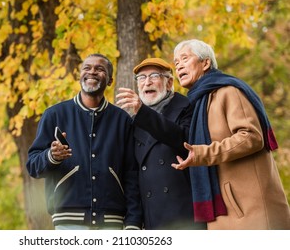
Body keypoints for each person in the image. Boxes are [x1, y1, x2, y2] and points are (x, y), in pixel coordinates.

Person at [171, 39, 290, 229]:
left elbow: (252, 136)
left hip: (251, 209)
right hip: (222, 212)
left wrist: (203, 154)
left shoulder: (228, 91)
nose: (179, 66)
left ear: (206, 63)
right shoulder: (195, 105)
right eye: (176, 63)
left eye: (184, 59)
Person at [26, 53, 142, 230]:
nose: (92, 72)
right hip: (67, 224)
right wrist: (51, 156)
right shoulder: (54, 115)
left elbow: (131, 175)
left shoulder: (122, 120)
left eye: (100, 69)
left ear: (110, 80)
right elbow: (32, 166)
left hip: (112, 223)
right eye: (87, 68)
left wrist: (133, 223)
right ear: (80, 75)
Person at [116, 58, 205, 230]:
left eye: (154, 76)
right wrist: (133, 221)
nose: (147, 82)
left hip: (186, 215)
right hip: (152, 220)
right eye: (141, 78)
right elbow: (132, 175)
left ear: (169, 82)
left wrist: (143, 112)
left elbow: (183, 141)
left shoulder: (187, 106)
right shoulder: (135, 122)